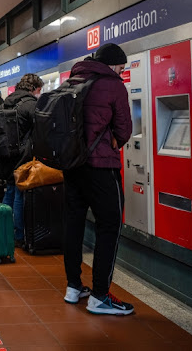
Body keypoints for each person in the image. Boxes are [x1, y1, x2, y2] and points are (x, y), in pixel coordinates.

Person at [62, 42, 133, 315]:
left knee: (74, 224)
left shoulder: (75, 78)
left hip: (73, 166)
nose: (122, 72)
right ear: (113, 64)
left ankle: (73, 286)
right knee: (109, 225)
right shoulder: (113, 85)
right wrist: (115, 141)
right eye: (121, 67)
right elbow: (124, 128)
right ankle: (100, 295)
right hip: (101, 167)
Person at [0, 73, 44, 248]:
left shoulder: (6, 102)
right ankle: (18, 235)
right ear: (33, 89)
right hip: (23, 156)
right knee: (19, 194)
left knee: (9, 192)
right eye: (39, 90)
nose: (40, 93)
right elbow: (40, 129)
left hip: (6, 156)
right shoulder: (31, 104)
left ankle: (3, 231)